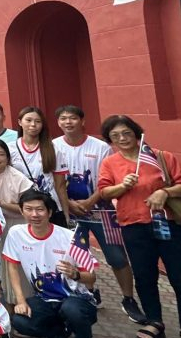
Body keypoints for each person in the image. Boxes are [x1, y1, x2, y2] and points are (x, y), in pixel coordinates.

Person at [97, 115, 181, 338]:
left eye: (126, 133)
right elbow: (104, 191)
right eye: (115, 136)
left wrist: (165, 192)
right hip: (134, 225)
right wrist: (122, 186)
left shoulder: (161, 157)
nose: (122, 139)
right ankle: (154, 320)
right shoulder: (110, 163)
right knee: (144, 276)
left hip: (170, 224)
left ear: (136, 133)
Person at [54, 105, 144, 322]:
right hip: (69, 212)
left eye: (73, 118)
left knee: (116, 256)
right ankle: (89, 292)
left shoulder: (101, 146)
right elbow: (54, 180)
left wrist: (90, 201)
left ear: (82, 121)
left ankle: (128, 298)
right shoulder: (53, 146)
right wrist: (68, 203)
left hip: (101, 211)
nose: (68, 122)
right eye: (63, 119)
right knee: (75, 256)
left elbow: (108, 179)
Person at [4, 190, 100, 338]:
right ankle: (59, 332)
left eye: (40, 209)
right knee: (20, 321)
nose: (34, 214)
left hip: (77, 298)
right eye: (28, 209)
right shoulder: (16, 233)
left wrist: (75, 274)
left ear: (49, 212)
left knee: (72, 310)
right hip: (46, 299)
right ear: (21, 211)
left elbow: (91, 277)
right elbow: (12, 268)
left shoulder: (69, 237)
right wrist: (20, 301)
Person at [12, 106, 67, 226]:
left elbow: (60, 186)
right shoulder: (10, 148)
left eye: (38, 121)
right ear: (20, 122)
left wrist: (66, 215)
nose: (33, 125)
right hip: (22, 208)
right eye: (28, 120)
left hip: (49, 207)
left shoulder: (53, 148)